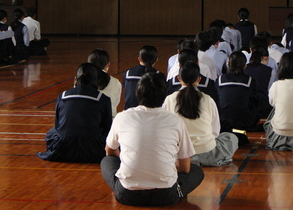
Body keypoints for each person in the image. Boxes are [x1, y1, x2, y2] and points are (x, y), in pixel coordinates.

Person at [102, 72, 204, 206]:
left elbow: (109, 151)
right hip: (165, 195)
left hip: (127, 195)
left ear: (138, 94)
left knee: (107, 161)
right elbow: (185, 168)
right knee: (196, 171)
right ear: (163, 97)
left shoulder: (122, 117)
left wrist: (127, 161)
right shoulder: (175, 121)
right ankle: (176, 190)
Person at [163, 62, 238, 166]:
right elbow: (215, 131)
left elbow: (165, 129)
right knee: (231, 138)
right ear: (199, 79)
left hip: (179, 154)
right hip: (207, 152)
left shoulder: (169, 100)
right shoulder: (208, 99)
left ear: (179, 78)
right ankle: (202, 160)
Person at [38, 63, 112, 163]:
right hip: (94, 149)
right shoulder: (103, 99)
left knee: (51, 133)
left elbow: (58, 125)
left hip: (63, 147)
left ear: (76, 78)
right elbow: (107, 128)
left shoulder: (63, 95)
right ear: (96, 80)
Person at [217, 51, 260, 133]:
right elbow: (255, 102)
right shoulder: (250, 80)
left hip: (223, 121)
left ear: (228, 64)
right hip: (245, 122)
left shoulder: (219, 80)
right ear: (245, 66)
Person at [123, 45, 159, 110]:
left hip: (130, 111)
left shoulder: (127, 73)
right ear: (156, 60)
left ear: (139, 59)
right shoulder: (159, 75)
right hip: (152, 112)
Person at [88, 48, 122, 118]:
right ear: (108, 65)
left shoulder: (83, 80)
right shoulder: (116, 82)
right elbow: (115, 103)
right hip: (110, 122)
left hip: (89, 120)